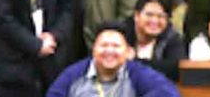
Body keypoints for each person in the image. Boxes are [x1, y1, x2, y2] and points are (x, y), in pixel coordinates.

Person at [44, 21, 179, 97]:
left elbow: (168, 93)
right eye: (104, 45)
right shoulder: (74, 74)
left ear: (127, 51)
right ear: (94, 49)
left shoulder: (136, 72)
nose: (109, 51)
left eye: (116, 46)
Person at [121, 0, 187, 81]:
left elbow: (175, 68)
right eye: (149, 15)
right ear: (136, 16)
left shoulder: (172, 37)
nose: (154, 21)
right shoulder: (120, 34)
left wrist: (134, 60)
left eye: (161, 16)